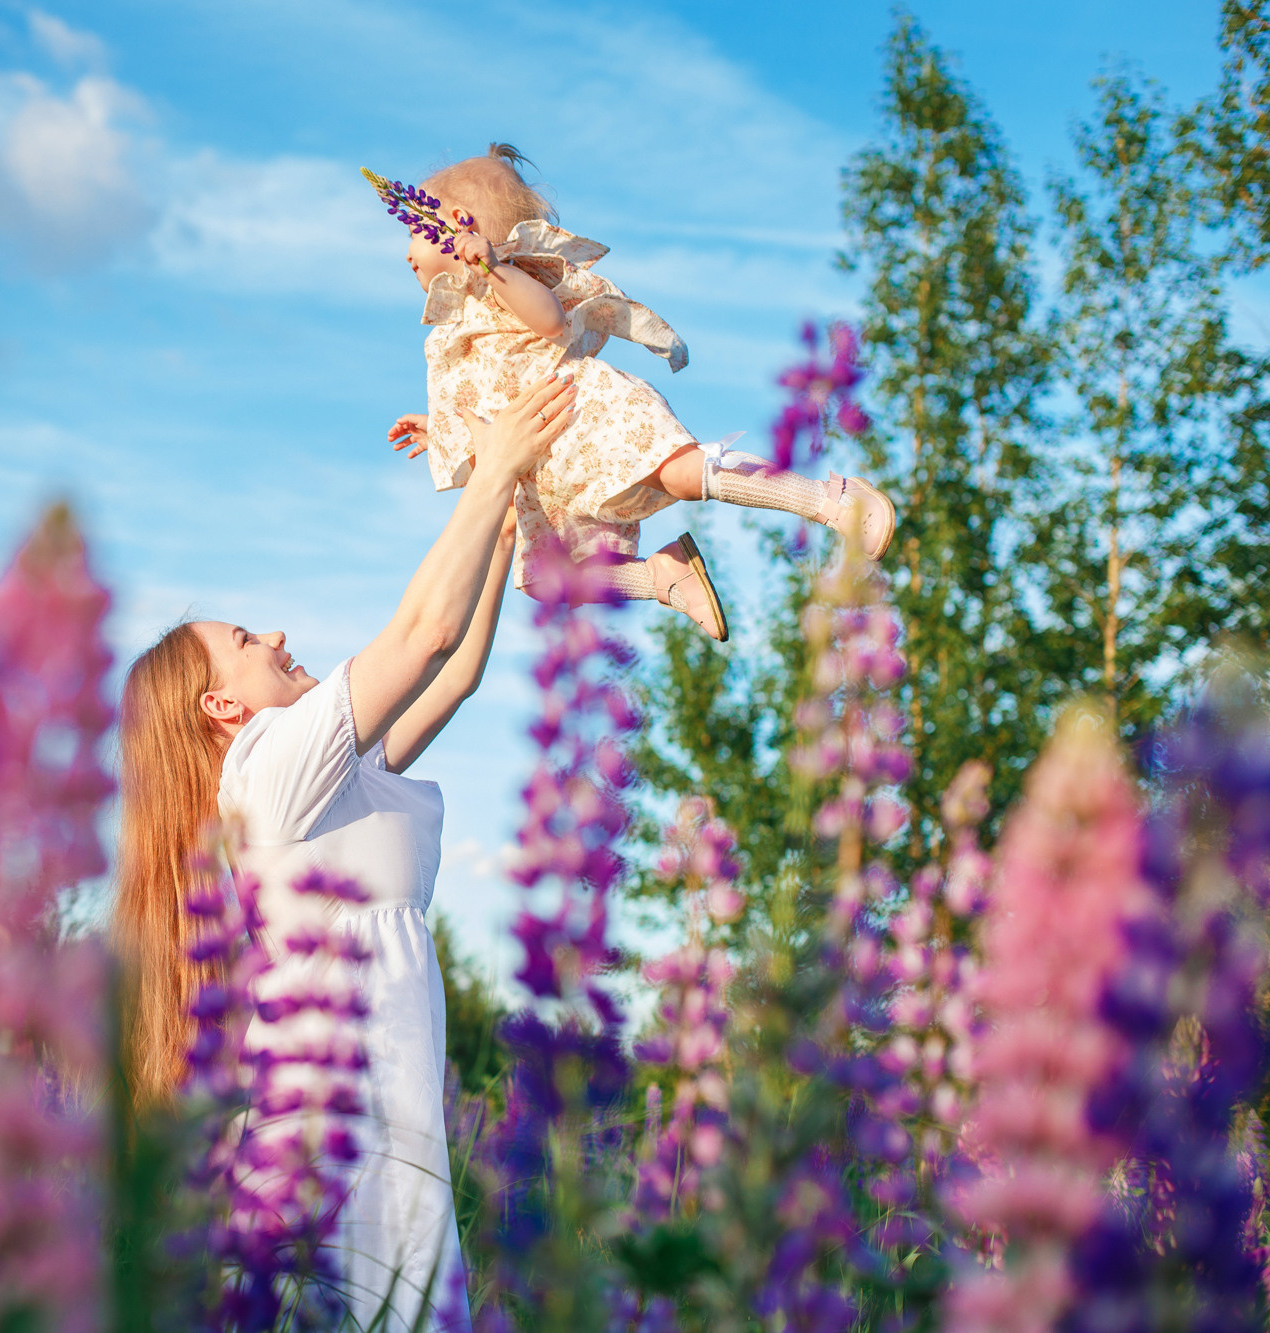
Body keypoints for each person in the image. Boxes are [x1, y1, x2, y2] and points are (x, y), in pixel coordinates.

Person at [113, 373, 578, 1330]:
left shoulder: (317, 781)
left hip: (383, 1149)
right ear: (222, 707)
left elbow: (451, 671)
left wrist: (506, 512)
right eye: (246, 640)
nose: (277, 635)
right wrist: (489, 469)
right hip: (344, 1160)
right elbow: (420, 631)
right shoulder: (265, 767)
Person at [381, 144, 897, 641]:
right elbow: (485, 404)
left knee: (684, 473)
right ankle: (664, 575)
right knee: (546, 580)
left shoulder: (504, 279)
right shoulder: (450, 327)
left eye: (414, 232)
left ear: (457, 225)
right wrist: (443, 430)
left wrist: (494, 267)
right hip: (546, 470)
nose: (407, 253)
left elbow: (548, 319)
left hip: (588, 416)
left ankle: (831, 500)